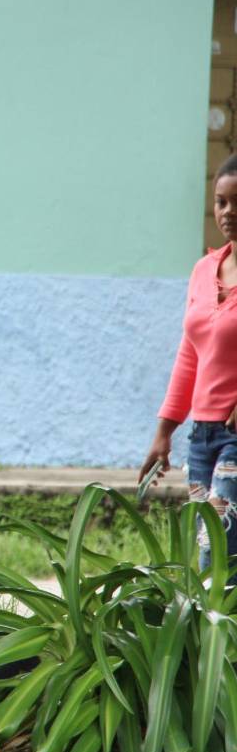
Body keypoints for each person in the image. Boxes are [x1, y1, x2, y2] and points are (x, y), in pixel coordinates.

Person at [139, 154, 237, 567]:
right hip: (202, 436)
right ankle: (210, 631)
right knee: (205, 544)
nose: (228, 212)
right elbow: (189, 354)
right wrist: (165, 431)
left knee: (222, 546)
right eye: (221, 202)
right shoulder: (203, 270)